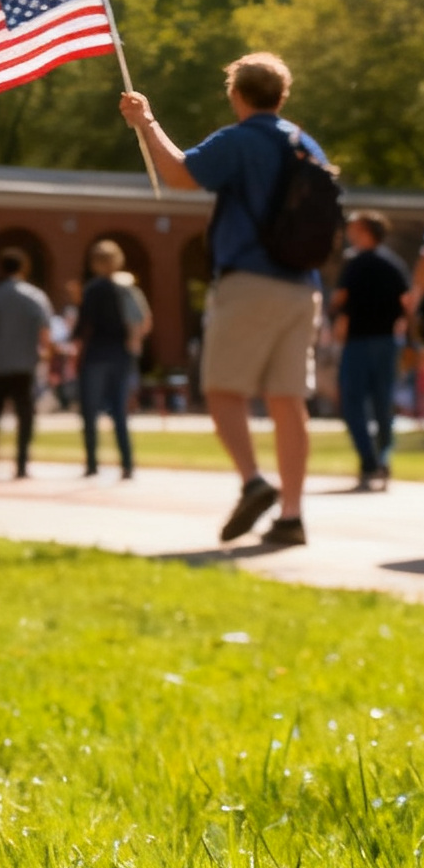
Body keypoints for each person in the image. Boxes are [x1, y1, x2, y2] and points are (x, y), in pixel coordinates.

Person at [120, 52, 328, 548]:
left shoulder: (240, 140)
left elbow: (181, 174)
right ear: (283, 95)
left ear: (237, 95)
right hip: (303, 286)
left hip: (249, 280)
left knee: (220, 389)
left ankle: (255, 483)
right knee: (288, 401)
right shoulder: (307, 144)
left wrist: (146, 122)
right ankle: (293, 516)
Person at [334, 210, 409, 491]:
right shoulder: (394, 264)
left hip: (359, 342)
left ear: (365, 230)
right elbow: (406, 303)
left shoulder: (354, 263)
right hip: (388, 342)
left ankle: (368, 461)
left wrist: (336, 318)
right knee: (383, 403)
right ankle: (384, 457)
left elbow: (342, 299)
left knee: (353, 403)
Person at [0, 249, 53, 479]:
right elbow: (46, 339)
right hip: (25, 367)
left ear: (0, 269)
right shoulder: (36, 297)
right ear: (23, 268)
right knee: (25, 416)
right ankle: (22, 464)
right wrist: (46, 361)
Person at [74, 240, 147, 478]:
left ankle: (92, 464)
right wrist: (133, 342)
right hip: (121, 355)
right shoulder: (127, 289)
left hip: (96, 354)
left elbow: (83, 325)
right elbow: (144, 321)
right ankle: (127, 464)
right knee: (119, 411)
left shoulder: (92, 289)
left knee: (90, 411)